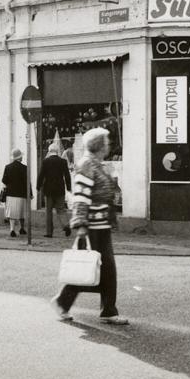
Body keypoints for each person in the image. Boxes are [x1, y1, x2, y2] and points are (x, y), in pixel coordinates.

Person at [53, 127, 127, 325]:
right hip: (91, 227)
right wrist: (81, 225)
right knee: (88, 266)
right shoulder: (87, 164)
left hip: (102, 225)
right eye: (106, 142)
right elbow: (81, 197)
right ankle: (63, 303)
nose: (109, 145)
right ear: (99, 145)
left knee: (106, 268)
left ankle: (108, 310)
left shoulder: (98, 164)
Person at [38, 139, 72, 238]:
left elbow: (41, 175)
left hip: (48, 190)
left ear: (49, 151)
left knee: (48, 211)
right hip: (60, 189)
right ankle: (66, 225)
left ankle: (49, 232)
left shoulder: (45, 161)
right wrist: (69, 187)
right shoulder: (63, 161)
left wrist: (38, 186)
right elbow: (67, 175)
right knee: (61, 209)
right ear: (57, 151)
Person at [2, 149, 30, 238]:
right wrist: (30, 193)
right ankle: (22, 228)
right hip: (21, 193)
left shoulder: (8, 167)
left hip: (10, 193)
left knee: (12, 212)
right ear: (20, 157)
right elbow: (27, 182)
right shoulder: (24, 168)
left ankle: (12, 229)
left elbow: (4, 180)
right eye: (21, 156)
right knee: (22, 212)